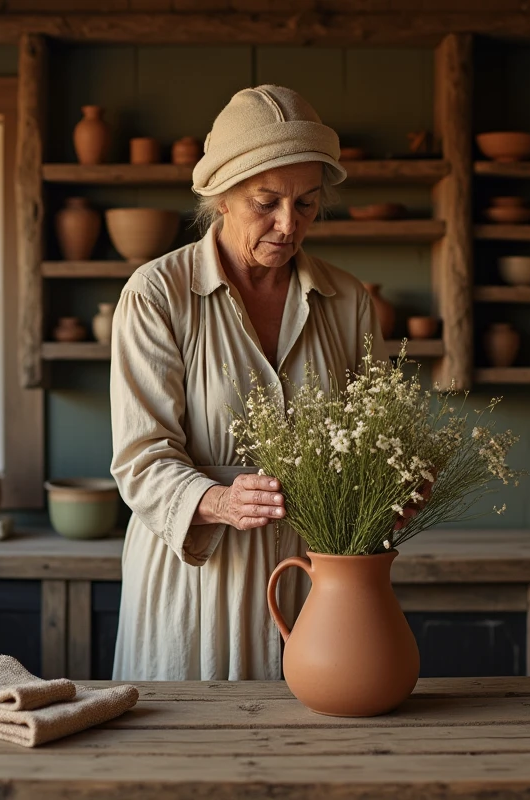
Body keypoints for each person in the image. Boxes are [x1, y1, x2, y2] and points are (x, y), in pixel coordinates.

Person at [109, 85, 387, 681]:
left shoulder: (348, 302)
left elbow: (372, 438)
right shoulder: (158, 294)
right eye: (268, 202)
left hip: (313, 574)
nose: (289, 225)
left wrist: (394, 484)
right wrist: (220, 501)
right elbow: (140, 458)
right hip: (196, 578)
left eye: (307, 204)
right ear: (221, 198)